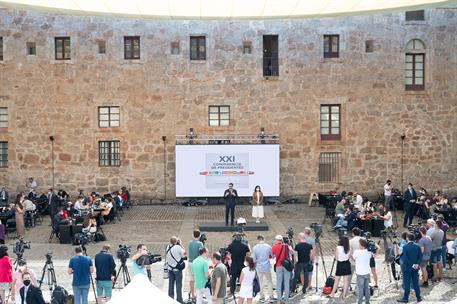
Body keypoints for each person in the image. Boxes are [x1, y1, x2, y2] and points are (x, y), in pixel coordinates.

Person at [397, 233, 422, 303]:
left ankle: (405, 298)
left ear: (407, 238)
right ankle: (418, 297)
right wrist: (416, 264)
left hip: (407, 268)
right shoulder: (418, 246)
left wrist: (411, 265)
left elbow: (405, 259)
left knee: (407, 283)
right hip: (415, 267)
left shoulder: (405, 247)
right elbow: (420, 256)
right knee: (415, 283)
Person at [252, 235, 273, 302]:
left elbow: (254, 259)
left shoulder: (255, 247)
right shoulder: (268, 246)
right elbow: (272, 256)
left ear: (258, 239)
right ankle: (271, 296)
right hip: (267, 266)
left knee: (261, 282)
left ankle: (262, 296)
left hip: (259, 266)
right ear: (263, 239)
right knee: (269, 281)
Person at [272, 235, 292, 303]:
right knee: (286, 283)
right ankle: (286, 299)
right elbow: (292, 252)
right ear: (282, 240)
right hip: (286, 266)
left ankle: (279, 299)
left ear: (276, 240)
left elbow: (272, 256)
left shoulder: (274, 247)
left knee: (279, 283)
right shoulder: (286, 246)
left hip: (278, 265)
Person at [166, 236, 186, 303]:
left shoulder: (167, 247)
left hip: (170, 269)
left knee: (170, 285)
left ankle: (170, 299)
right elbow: (184, 254)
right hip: (177, 269)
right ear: (176, 241)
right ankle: (179, 300)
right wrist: (180, 244)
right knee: (178, 285)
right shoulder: (178, 247)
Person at [353, 238, 372, 304]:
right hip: (367, 272)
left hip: (360, 273)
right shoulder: (369, 252)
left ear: (360, 244)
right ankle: (367, 301)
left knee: (360, 288)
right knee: (367, 288)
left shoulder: (356, 251)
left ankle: (360, 302)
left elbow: (354, 258)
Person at [188, 230, 203, 302]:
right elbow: (201, 254)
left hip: (190, 262)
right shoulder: (200, 244)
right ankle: (197, 294)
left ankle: (192, 294)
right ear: (199, 236)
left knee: (191, 279)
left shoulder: (190, 243)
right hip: (196, 263)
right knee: (197, 279)